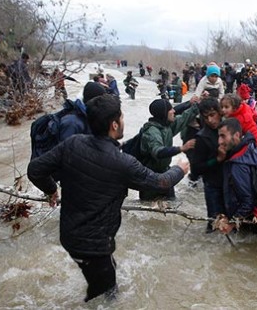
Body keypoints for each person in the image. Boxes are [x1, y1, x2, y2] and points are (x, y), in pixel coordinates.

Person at [27, 94, 188, 302]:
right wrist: (180, 169)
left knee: (104, 275)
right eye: (121, 117)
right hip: (94, 245)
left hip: (70, 236)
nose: (123, 122)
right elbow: (161, 182)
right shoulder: (123, 163)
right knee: (108, 297)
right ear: (114, 125)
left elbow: (34, 170)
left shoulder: (73, 144)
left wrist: (51, 189)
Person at [138, 97, 199, 200]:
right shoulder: (151, 132)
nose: (174, 111)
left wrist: (198, 105)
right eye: (171, 109)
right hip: (150, 177)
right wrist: (181, 148)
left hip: (166, 174)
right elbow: (158, 152)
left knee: (171, 207)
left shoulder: (167, 127)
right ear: (164, 114)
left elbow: (184, 117)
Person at [191, 98, 225, 232]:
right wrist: (217, 159)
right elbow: (196, 168)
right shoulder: (202, 138)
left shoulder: (230, 127)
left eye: (212, 115)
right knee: (214, 224)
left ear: (219, 112)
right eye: (206, 117)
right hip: (213, 185)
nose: (210, 120)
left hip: (232, 182)